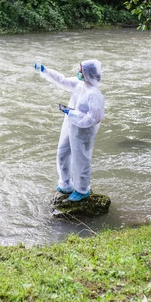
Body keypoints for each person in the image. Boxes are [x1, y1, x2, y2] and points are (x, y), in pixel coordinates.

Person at [35, 60, 105, 201]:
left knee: (81, 159)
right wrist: (45, 70)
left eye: (81, 71)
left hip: (84, 132)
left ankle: (82, 189)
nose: (78, 73)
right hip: (71, 125)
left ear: (88, 73)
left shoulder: (94, 94)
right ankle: (65, 184)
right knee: (62, 153)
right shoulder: (80, 85)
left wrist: (71, 113)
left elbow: (94, 118)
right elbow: (62, 80)